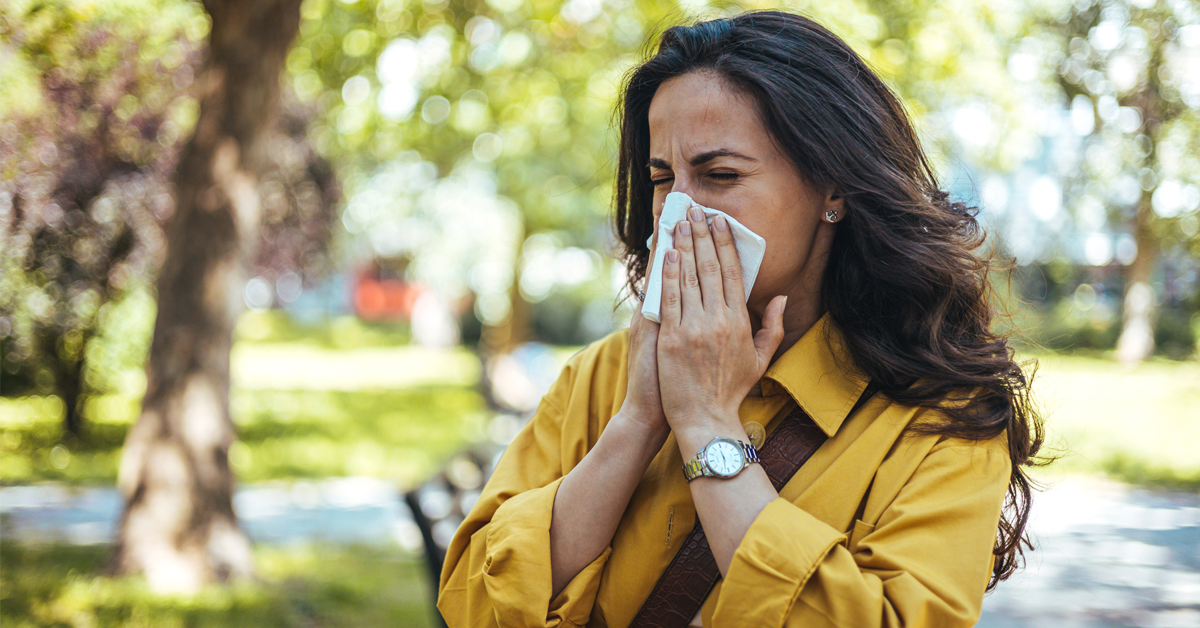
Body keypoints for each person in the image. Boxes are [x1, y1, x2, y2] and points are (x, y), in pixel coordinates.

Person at [438, 10, 1043, 628]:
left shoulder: (941, 418)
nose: (680, 211)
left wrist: (705, 425)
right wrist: (639, 421)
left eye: (721, 175)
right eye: (661, 177)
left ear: (834, 188)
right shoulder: (603, 376)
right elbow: (473, 604)